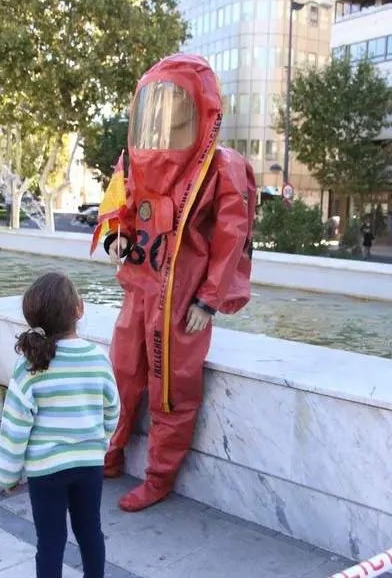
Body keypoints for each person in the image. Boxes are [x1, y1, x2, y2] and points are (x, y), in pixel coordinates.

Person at [99, 53, 256, 512]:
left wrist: (207, 301)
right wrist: (115, 239)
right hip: (140, 288)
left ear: (199, 112)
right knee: (122, 374)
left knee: (171, 388)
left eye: (177, 108)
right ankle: (109, 453)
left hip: (181, 297)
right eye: (158, 104)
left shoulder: (219, 168)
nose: (165, 119)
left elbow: (232, 238)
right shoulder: (137, 160)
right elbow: (119, 210)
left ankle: (158, 477)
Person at [0, 271, 120, 578]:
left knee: (51, 541)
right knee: (90, 531)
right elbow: (112, 409)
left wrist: (8, 475)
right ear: (79, 308)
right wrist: (99, 443)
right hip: (88, 466)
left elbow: (14, 428)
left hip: (46, 472)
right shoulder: (97, 357)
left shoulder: (29, 366)